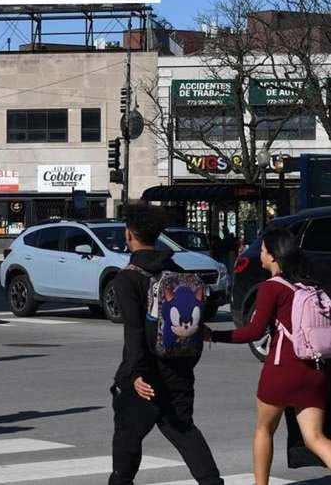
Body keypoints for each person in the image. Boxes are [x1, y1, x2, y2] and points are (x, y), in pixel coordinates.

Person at [205, 228, 331, 485]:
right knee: (315, 437)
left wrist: (214, 336)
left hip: (282, 369)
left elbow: (253, 331)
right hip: (316, 368)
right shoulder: (309, 284)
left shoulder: (271, 288)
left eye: (262, 250)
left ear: (273, 257)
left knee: (264, 429)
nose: (258, 253)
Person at [109, 203, 223, 485]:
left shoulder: (127, 279)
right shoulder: (174, 269)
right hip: (179, 367)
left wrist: (134, 374)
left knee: (128, 437)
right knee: (183, 430)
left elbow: (134, 331)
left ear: (129, 235)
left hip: (145, 373)